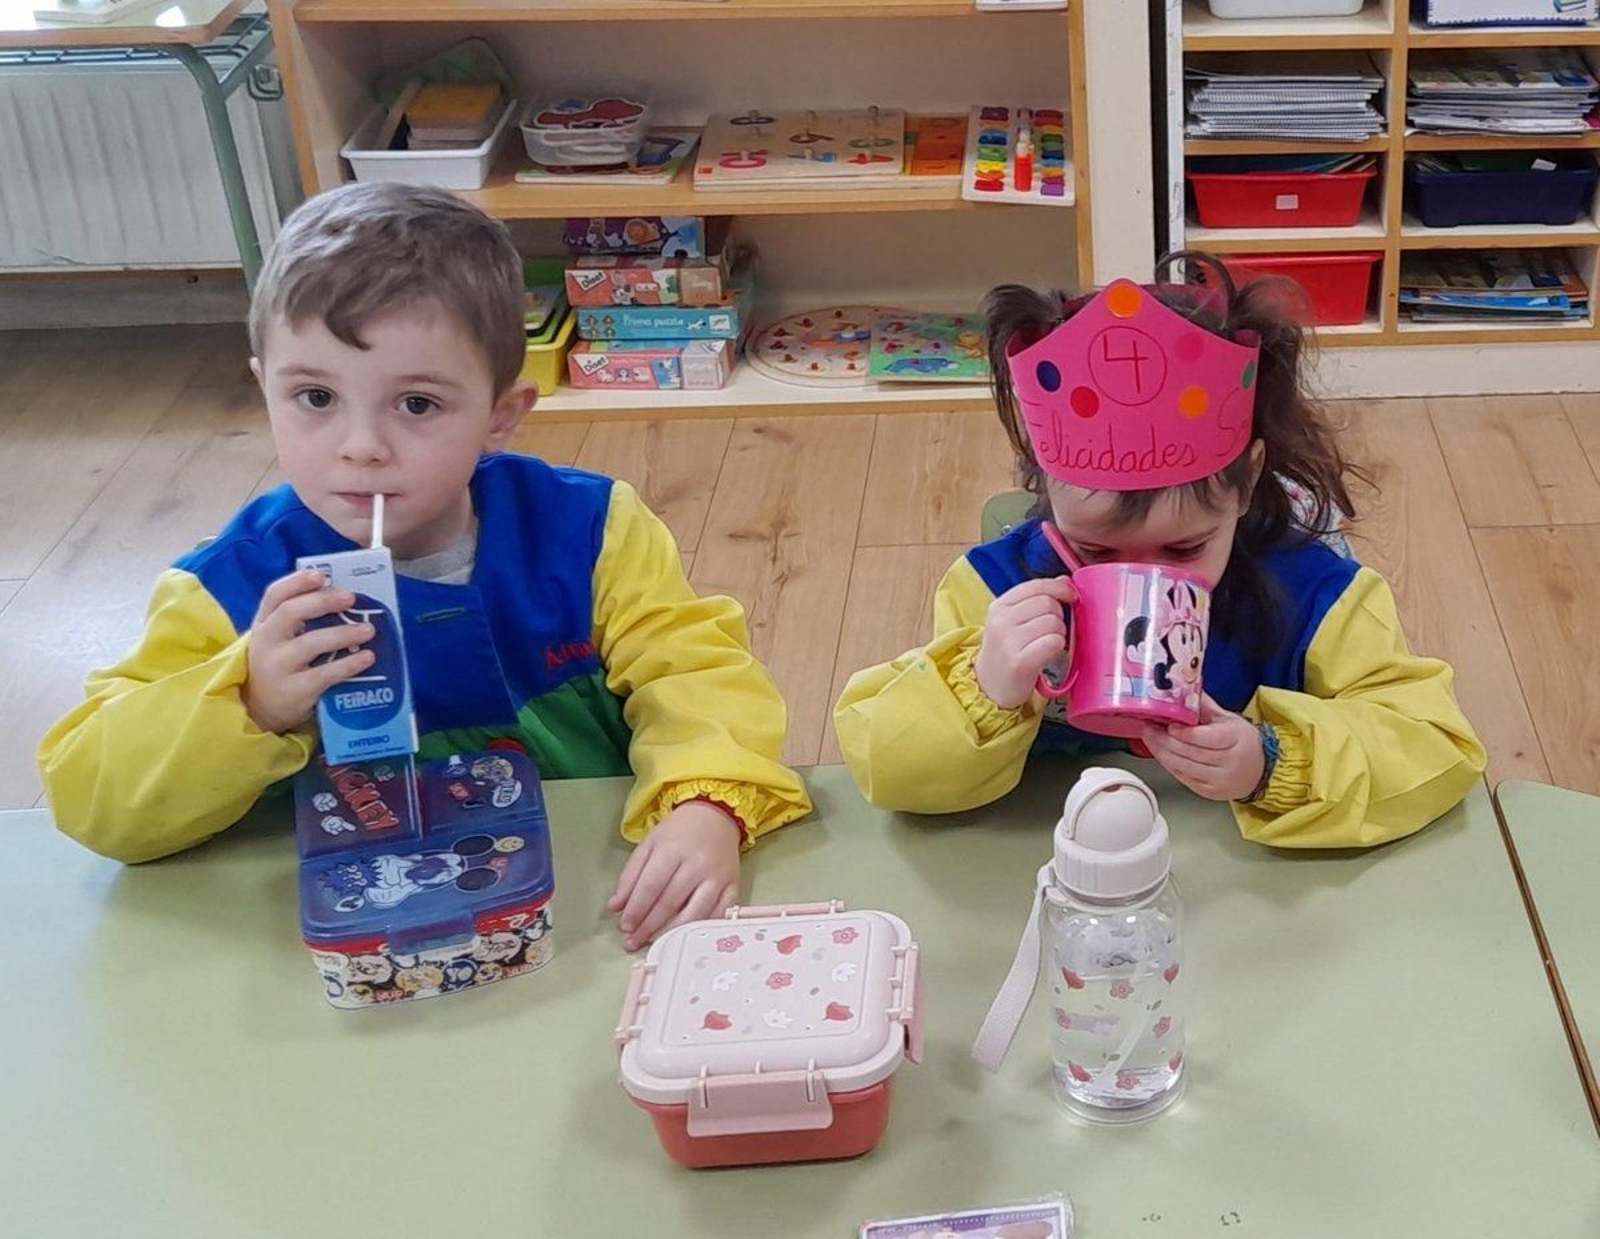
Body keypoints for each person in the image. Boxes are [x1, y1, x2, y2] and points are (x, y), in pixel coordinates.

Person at [39, 182, 811, 948]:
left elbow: (699, 675)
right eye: (314, 397)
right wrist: (248, 700)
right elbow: (94, 799)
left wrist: (704, 806)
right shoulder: (226, 590)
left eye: (416, 405)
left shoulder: (590, 531)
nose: (360, 444)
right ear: (263, 389)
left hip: (591, 907)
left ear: (500, 416)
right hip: (351, 938)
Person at [834, 256, 1485, 847]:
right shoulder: (998, 589)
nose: (1142, 575)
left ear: (1247, 483)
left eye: (1183, 546)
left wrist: (1272, 763)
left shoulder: (1318, 596)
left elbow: (1437, 746)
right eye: (1095, 549)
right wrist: (981, 689)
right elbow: (886, 769)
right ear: (1042, 483)